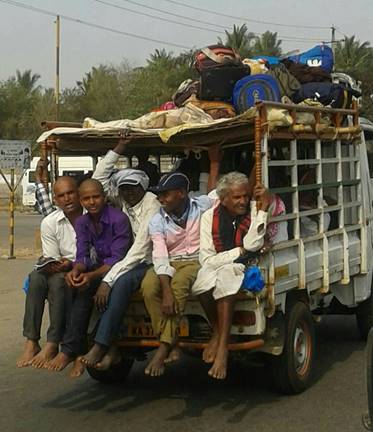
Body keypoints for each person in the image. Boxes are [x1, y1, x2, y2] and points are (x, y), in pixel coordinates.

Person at [192, 172, 286, 380]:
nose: (243, 201)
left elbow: (253, 244)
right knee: (200, 284)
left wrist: (261, 212)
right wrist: (238, 252)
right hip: (220, 263)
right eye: (236, 197)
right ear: (223, 198)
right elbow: (207, 259)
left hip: (244, 266)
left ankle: (223, 347)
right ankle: (218, 332)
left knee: (226, 276)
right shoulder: (209, 217)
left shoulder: (254, 211)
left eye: (245, 196)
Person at [78, 139, 160, 370]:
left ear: (143, 187)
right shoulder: (123, 203)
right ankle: (107, 345)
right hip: (127, 261)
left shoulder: (151, 204)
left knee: (120, 283)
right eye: (124, 187)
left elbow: (140, 249)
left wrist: (108, 279)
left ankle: (101, 344)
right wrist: (118, 150)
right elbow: (97, 181)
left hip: (150, 261)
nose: (129, 192)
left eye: (133, 187)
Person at [141, 156, 219, 377]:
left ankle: (164, 346)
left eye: (165, 194)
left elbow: (220, 194)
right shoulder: (157, 220)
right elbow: (160, 255)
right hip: (169, 261)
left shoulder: (201, 205)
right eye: (159, 195)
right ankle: (170, 339)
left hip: (196, 260)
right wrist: (164, 291)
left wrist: (214, 161)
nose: (161, 199)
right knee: (148, 286)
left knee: (181, 284)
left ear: (181, 194)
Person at [46, 178, 132, 376]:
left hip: (121, 269)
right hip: (97, 269)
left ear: (103, 197)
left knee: (104, 294)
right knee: (78, 289)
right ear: (81, 201)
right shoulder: (83, 221)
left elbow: (117, 259)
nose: (92, 202)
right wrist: (77, 270)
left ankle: (99, 347)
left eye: (96, 197)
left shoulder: (118, 219)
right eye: (87, 199)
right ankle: (72, 349)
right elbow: (82, 253)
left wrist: (91, 275)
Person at [16, 176, 82, 368]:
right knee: (36, 278)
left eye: (71, 193)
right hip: (61, 267)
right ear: (55, 199)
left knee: (58, 282)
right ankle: (31, 340)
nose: (67, 199)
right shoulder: (50, 222)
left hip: (84, 266)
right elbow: (51, 256)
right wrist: (57, 264)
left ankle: (53, 342)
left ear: (78, 194)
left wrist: (71, 263)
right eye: (61, 196)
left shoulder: (90, 216)